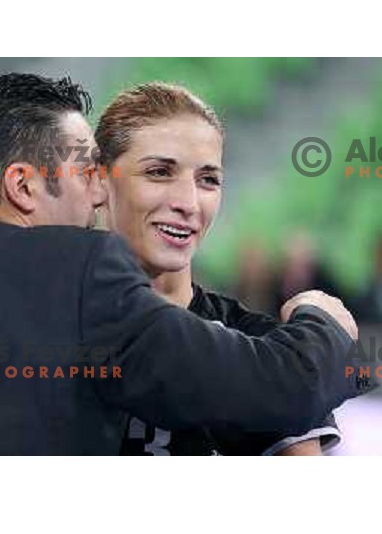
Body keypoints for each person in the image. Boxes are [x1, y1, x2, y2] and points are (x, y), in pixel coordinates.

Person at [0, 73, 362, 455]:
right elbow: (284, 383)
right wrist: (325, 323)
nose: (95, 197)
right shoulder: (79, 275)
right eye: (87, 175)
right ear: (23, 185)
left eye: (209, 178)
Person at [95, 82, 346, 455]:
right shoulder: (44, 318)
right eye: (160, 172)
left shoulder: (266, 347)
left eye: (208, 180)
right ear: (99, 179)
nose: (188, 203)